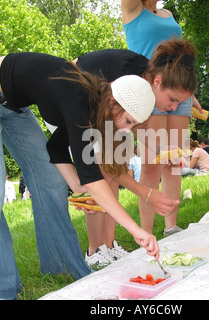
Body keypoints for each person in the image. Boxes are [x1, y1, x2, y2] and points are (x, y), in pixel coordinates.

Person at [0, 52, 165, 299]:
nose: (125, 129)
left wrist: (78, 187)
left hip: (14, 106)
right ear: (113, 103)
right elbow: (92, 177)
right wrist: (136, 230)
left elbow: (56, 148)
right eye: (128, 121)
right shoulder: (78, 100)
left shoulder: (96, 105)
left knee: (52, 180)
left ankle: (61, 267)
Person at [75, 38, 197, 264]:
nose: (173, 108)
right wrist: (145, 192)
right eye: (172, 100)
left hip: (103, 107)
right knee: (101, 175)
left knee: (116, 169)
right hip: (77, 97)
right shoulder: (126, 85)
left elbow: (137, 141)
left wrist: (164, 153)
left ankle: (110, 246)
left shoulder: (147, 85)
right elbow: (106, 161)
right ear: (157, 82)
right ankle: (94, 251)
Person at [122, 0, 202, 237]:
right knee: (152, 163)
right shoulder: (132, 9)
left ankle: (171, 228)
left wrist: (189, 94)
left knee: (174, 162)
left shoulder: (167, 13)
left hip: (178, 91)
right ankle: (145, 233)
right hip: (150, 91)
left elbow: (179, 61)